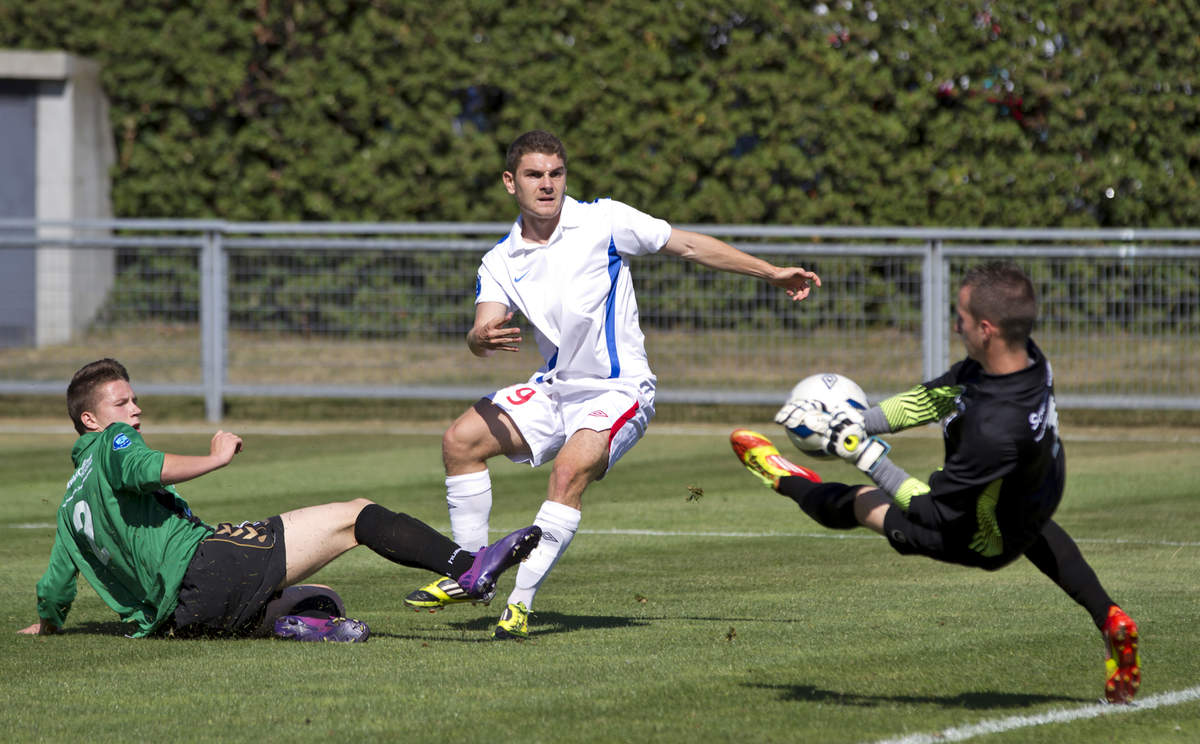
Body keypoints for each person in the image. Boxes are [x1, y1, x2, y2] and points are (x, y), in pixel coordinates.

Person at [403, 129, 821, 639]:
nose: (548, 184)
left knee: (569, 470)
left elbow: (687, 244)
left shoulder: (603, 220)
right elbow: (481, 326)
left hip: (619, 389)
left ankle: (519, 603)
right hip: (556, 387)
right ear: (510, 182)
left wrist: (771, 271)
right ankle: (472, 572)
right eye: (535, 175)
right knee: (460, 441)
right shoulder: (500, 259)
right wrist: (479, 337)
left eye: (556, 174)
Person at [730, 261, 1141, 703]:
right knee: (1023, 520)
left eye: (960, 317)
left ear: (986, 329)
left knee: (862, 504)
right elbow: (936, 396)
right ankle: (1110, 616)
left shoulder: (992, 429)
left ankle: (786, 479)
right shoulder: (1025, 358)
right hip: (1037, 490)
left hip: (983, 536)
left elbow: (933, 511)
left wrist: (858, 450)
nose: (954, 323)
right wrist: (860, 421)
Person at [20, 358, 541, 641]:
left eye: (134, 398)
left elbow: (56, 582)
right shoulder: (113, 443)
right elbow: (144, 464)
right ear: (90, 420)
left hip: (179, 620)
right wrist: (215, 458)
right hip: (205, 566)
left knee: (324, 596)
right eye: (122, 401)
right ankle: (468, 566)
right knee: (357, 515)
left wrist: (49, 622)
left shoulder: (70, 505)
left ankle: (296, 625)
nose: (135, 408)